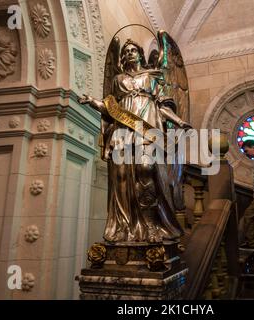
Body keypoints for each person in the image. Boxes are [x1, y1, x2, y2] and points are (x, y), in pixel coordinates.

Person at [80, 39, 190, 243]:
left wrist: (180, 121)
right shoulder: (117, 79)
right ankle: (124, 226)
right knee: (120, 178)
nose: (130, 53)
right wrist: (93, 102)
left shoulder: (152, 77)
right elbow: (110, 107)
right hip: (122, 132)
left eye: (133, 50)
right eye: (126, 51)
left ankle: (151, 224)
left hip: (146, 129)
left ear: (140, 54)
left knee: (146, 170)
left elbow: (164, 106)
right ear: (123, 57)